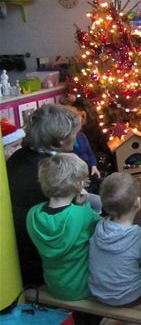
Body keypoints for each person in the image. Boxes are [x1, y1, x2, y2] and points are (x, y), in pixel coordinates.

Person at [7, 104, 87, 286]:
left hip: (21, 248)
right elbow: (68, 218)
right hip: (41, 258)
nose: (76, 138)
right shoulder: (53, 171)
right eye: (75, 133)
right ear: (60, 140)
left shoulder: (18, 157)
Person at [26, 153, 100, 300]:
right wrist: (84, 205)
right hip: (83, 287)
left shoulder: (33, 215)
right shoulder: (83, 214)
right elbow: (102, 228)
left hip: (54, 286)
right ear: (79, 185)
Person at [89, 173, 141, 306]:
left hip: (99, 294)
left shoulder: (99, 228)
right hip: (130, 297)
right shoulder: (137, 236)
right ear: (138, 203)